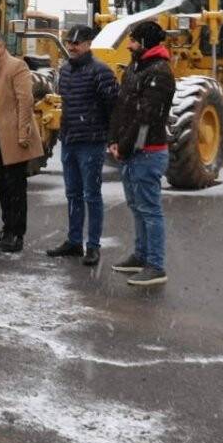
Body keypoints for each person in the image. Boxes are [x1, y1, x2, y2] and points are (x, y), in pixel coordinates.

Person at [108, 21, 176, 286]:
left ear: (146, 42)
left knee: (150, 210)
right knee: (137, 207)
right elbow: (122, 107)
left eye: (134, 40)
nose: (129, 45)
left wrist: (123, 145)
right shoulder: (137, 68)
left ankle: (156, 265)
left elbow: (146, 117)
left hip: (148, 152)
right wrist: (114, 139)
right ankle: (140, 255)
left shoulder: (160, 73)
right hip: (131, 150)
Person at [47, 25, 119, 267]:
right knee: (73, 194)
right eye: (69, 42)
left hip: (91, 143)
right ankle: (74, 241)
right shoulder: (65, 71)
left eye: (76, 43)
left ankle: (93, 246)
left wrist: (111, 138)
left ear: (89, 44)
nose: (71, 47)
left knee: (92, 195)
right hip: (70, 142)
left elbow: (113, 108)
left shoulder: (101, 72)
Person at [0, 31, 45, 253]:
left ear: (1, 46)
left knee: (15, 186)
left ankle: (17, 234)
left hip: (13, 135)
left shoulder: (16, 66)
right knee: (1, 184)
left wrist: (23, 133)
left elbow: (24, 100)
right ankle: (7, 229)